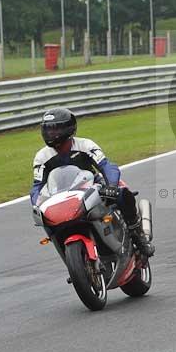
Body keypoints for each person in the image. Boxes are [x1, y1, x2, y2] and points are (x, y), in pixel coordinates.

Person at [30, 108, 154, 257]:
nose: (51, 134)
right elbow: (37, 186)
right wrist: (37, 205)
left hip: (91, 186)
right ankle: (68, 257)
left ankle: (138, 236)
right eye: (47, 130)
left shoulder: (85, 145)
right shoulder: (41, 157)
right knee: (47, 221)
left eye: (55, 129)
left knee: (123, 193)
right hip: (61, 196)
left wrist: (112, 186)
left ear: (69, 128)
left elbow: (107, 166)